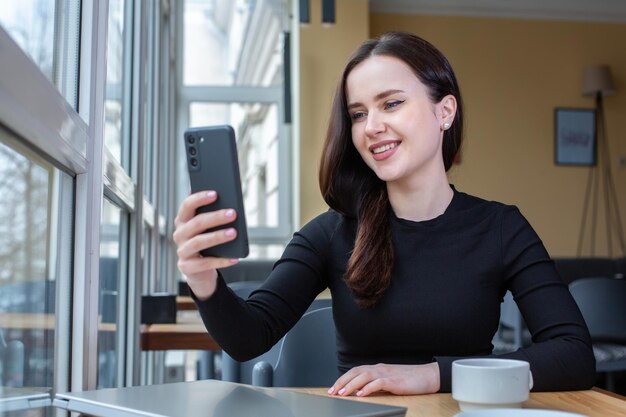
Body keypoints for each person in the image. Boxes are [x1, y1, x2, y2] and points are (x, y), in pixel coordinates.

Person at [173, 31, 596, 396]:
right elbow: (249, 337)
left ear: (444, 111)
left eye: (390, 104)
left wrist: (433, 376)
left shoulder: (501, 228)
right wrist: (204, 281)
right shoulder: (330, 234)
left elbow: (574, 355)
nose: (370, 126)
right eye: (358, 114)